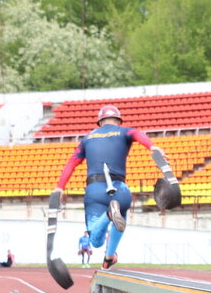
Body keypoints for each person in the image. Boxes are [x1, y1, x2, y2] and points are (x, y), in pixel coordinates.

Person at [54, 104, 171, 270]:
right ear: (118, 120)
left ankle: (109, 215)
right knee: (121, 216)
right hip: (120, 190)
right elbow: (138, 134)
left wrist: (59, 188)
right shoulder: (125, 131)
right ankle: (109, 256)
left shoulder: (87, 138)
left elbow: (71, 163)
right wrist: (151, 147)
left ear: (100, 122)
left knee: (95, 240)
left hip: (95, 190)